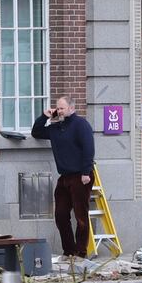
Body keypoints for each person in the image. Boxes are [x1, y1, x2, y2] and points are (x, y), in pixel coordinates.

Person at [31, 95, 95, 259]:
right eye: (57, 108)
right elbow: (36, 132)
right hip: (64, 177)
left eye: (62, 108)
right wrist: (45, 116)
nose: (59, 111)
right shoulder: (55, 128)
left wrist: (86, 172)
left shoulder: (81, 125)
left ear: (71, 108)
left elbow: (89, 148)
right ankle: (69, 251)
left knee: (81, 216)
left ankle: (80, 253)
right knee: (60, 215)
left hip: (80, 176)